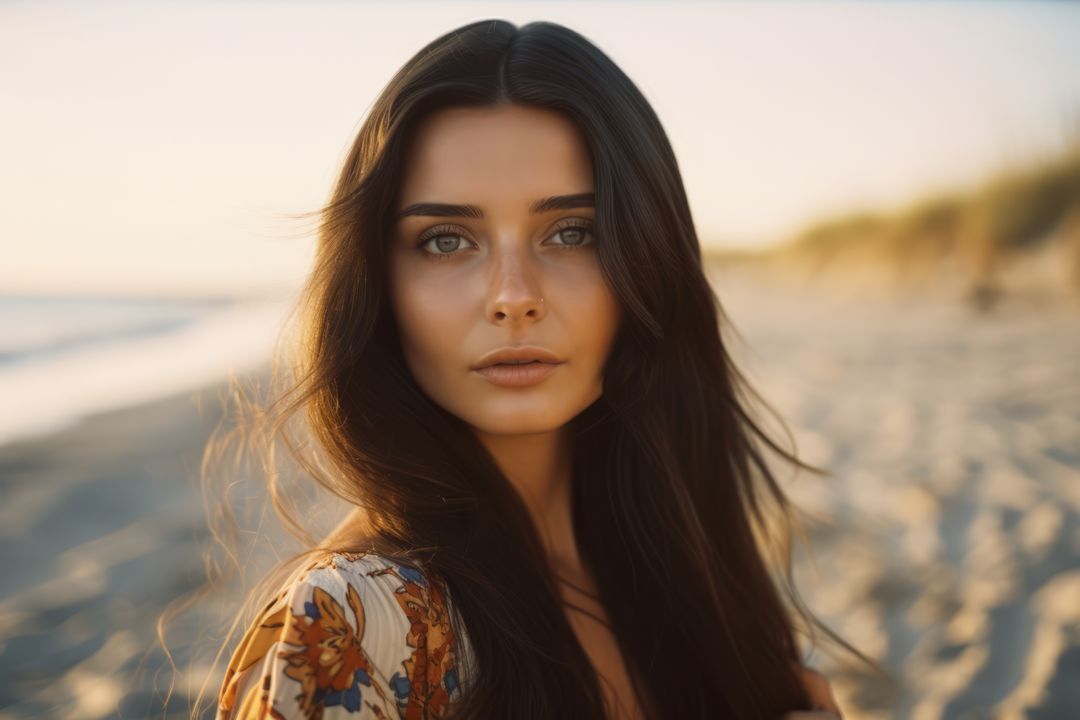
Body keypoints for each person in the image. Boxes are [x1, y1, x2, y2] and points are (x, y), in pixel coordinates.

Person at [207, 18, 877, 720]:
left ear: (649, 259)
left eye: (571, 232)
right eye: (444, 240)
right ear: (376, 283)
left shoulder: (679, 554)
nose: (514, 296)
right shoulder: (350, 620)